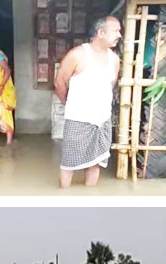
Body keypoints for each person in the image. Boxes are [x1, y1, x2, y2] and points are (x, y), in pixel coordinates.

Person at [54, 16, 121, 188]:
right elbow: (60, 82)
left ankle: (89, 199)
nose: (119, 35)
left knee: (95, 162)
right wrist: (68, 105)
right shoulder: (77, 55)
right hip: (78, 118)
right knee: (69, 163)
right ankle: (63, 197)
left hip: (102, 120)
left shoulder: (114, 59)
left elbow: (110, 86)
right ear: (101, 33)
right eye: (116, 31)